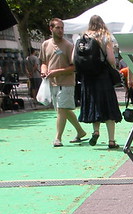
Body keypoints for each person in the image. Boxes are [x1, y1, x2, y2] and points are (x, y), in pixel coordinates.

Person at [40, 18, 88, 147]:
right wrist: (44, 71)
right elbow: (44, 62)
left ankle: (58, 138)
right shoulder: (45, 44)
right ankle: (80, 131)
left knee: (61, 109)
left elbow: (74, 67)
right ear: (51, 28)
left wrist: (57, 72)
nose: (61, 30)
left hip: (66, 83)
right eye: (58, 28)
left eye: (62, 28)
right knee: (64, 110)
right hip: (52, 83)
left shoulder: (68, 46)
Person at [76, 15, 123, 149]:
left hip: (88, 78)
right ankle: (111, 141)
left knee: (94, 105)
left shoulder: (83, 37)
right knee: (108, 107)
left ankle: (96, 131)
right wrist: (114, 68)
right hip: (102, 76)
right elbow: (111, 59)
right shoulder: (105, 36)